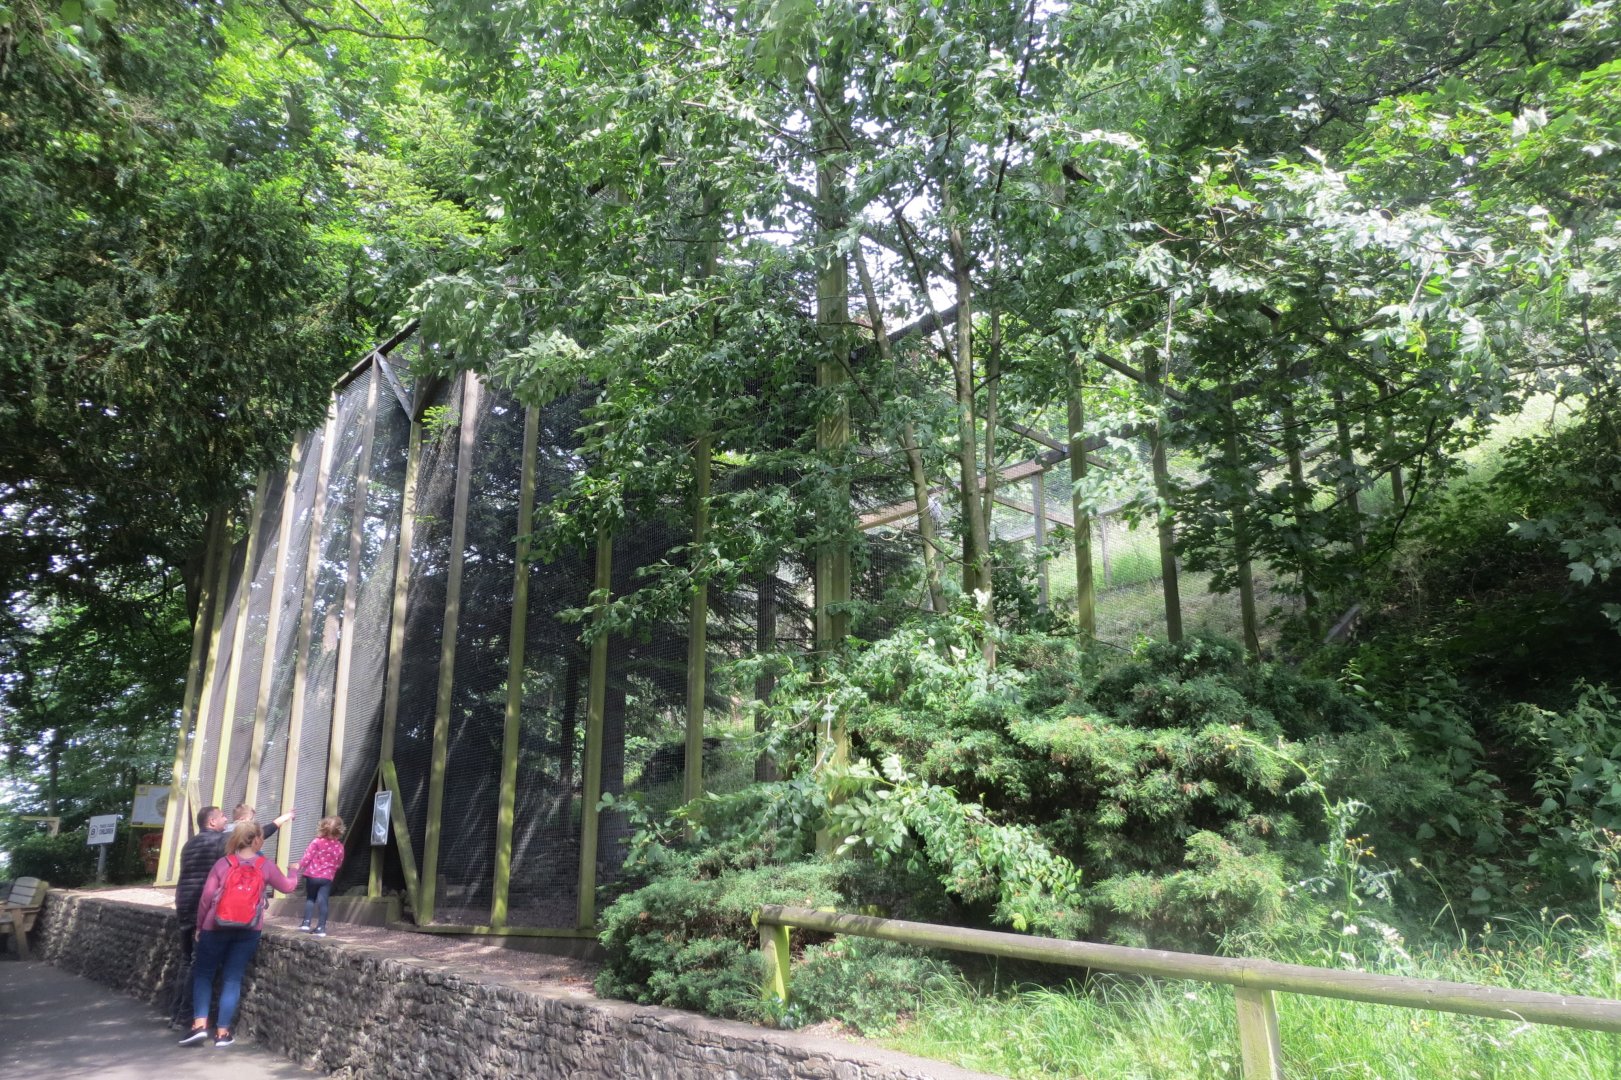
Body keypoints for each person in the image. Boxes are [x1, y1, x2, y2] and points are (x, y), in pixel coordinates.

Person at [179, 820, 298, 1048]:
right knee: (232, 979)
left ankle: (199, 1026)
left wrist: (200, 926)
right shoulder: (265, 865)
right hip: (248, 928)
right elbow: (288, 887)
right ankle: (223, 1033)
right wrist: (294, 870)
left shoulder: (223, 864)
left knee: (203, 975)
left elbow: (206, 898)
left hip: (215, 926)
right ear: (257, 840)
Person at [170, 805, 227, 1027]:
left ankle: (175, 1013)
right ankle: (186, 1015)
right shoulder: (219, 842)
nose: (226, 819)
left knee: (186, 961)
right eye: (222, 816)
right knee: (198, 963)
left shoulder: (189, 844)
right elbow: (249, 841)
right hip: (200, 908)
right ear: (212, 822)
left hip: (183, 903)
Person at [294, 816, 346, 937]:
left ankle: (306, 923)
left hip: (312, 875)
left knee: (310, 898)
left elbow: (308, 857)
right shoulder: (339, 846)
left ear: (323, 828)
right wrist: (332, 868)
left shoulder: (316, 842)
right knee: (323, 902)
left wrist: (299, 865)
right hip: (326, 878)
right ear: (340, 831)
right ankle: (321, 928)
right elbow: (339, 862)